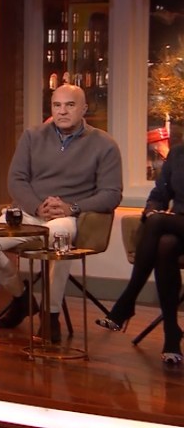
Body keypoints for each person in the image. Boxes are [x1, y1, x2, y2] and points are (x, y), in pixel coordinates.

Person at [0, 84, 122, 343]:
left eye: (70, 105)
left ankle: (51, 314)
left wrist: (71, 207)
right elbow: (17, 180)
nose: (62, 111)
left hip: (68, 217)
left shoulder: (104, 144)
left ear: (84, 109)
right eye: (57, 105)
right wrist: (36, 206)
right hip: (30, 212)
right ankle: (22, 298)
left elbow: (111, 194)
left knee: (58, 236)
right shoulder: (32, 136)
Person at [97, 143, 184, 366]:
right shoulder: (178, 153)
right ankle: (171, 333)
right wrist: (152, 208)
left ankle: (127, 301)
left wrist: (156, 217)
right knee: (165, 245)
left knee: (157, 222)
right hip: (178, 227)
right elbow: (159, 194)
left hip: (174, 223)